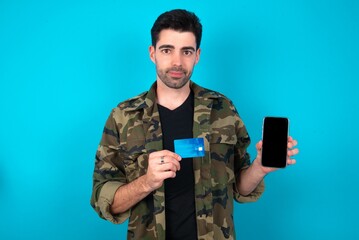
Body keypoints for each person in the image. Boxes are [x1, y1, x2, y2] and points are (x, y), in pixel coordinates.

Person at [90, 9, 299, 240]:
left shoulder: (223, 109)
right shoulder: (123, 116)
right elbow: (104, 200)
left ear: (197, 55)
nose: (177, 62)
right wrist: (146, 182)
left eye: (186, 51)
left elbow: (240, 188)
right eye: (167, 50)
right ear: (153, 53)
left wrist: (260, 168)